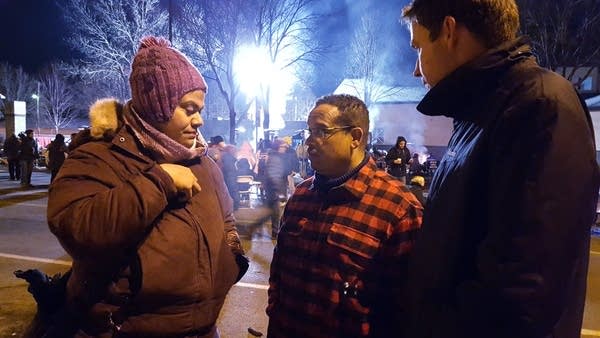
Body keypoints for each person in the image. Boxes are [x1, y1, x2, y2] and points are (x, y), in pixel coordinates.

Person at [400, 1, 600, 338]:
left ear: (449, 31)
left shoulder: (539, 106)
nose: (415, 71)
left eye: (418, 47)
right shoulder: (485, 109)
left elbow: (523, 290)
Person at [46, 36, 248, 337]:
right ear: (158, 106)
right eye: (189, 108)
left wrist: (231, 256)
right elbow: (75, 226)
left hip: (203, 330)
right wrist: (160, 182)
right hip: (126, 330)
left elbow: (226, 218)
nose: (199, 121)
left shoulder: (203, 163)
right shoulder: (99, 155)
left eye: (200, 109)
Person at [267, 94, 422, 337]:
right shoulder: (301, 195)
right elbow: (279, 271)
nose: (309, 141)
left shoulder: (399, 208)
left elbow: (407, 309)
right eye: (310, 131)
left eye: (321, 131)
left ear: (355, 137)